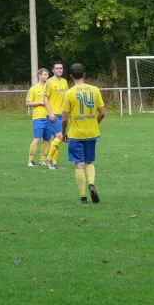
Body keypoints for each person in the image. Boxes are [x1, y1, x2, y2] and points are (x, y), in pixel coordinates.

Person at [61, 63, 106, 204]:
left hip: (76, 134)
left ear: (71, 76)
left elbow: (64, 118)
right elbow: (103, 113)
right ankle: (91, 184)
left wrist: (63, 133)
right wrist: (94, 123)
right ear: (84, 74)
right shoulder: (95, 90)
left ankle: (83, 197)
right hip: (92, 132)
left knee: (79, 164)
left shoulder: (69, 93)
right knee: (89, 161)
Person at [43, 61, 69, 169]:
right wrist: (50, 113)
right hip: (52, 114)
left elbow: (67, 97)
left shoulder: (64, 82)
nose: (59, 70)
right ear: (53, 70)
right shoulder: (49, 82)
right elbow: (45, 98)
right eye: (57, 68)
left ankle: (54, 163)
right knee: (60, 136)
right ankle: (48, 159)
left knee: (55, 139)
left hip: (62, 114)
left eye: (61, 68)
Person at [25, 68, 52, 167]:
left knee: (47, 140)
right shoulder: (34, 89)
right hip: (38, 118)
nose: (47, 76)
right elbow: (27, 103)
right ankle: (30, 161)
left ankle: (42, 160)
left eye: (48, 75)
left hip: (49, 118)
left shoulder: (49, 88)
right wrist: (40, 102)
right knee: (36, 139)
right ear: (39, 76)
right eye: (45, 74)